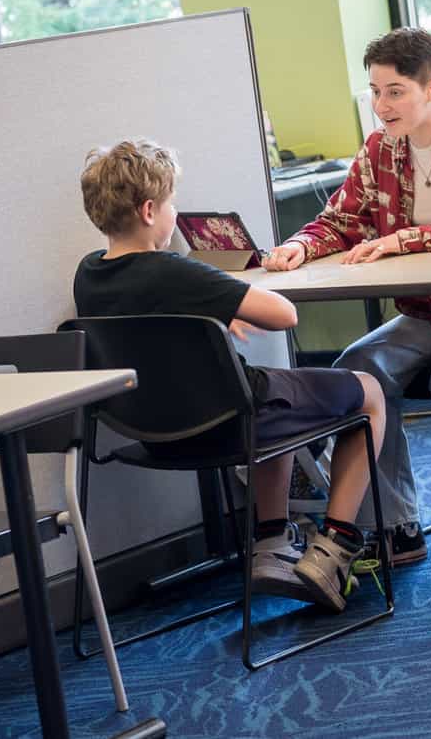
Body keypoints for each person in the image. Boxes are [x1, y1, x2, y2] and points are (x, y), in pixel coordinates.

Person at [73, 138, 385, 612]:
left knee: (269, 393)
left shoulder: (87, 275)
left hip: (154, 433)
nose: (175, 212)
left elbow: (155, 323)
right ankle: (335, 548)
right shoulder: (173, 271)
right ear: (150, 209)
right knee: (370, 392)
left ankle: (272, 544)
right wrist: (222, 290)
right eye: (173, 202)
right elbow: (283, 315)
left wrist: (212, 313)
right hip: (231, 426)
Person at [263, 28, 431, 565]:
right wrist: (299, 246)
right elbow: (341, 220)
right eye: (376, 92)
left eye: (395, 91)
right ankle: (397, 523)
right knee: (360, 368)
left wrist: (399, 239)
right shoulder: (381, 147)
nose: (382, 106)